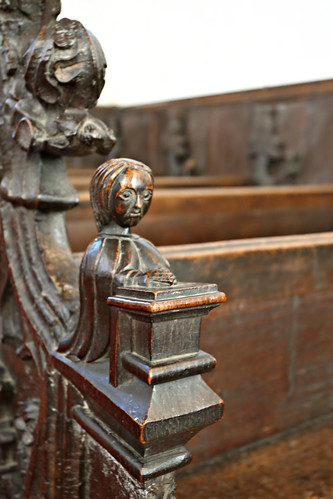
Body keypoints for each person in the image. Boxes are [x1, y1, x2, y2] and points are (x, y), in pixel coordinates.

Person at [62, 158, 177, 362]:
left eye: (147, 195)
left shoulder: (144, 246)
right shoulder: (98, 250)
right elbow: (108, 279)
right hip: (115, 356)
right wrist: (141, 281)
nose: (139, 205)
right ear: (104, 198)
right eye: (127, 195)